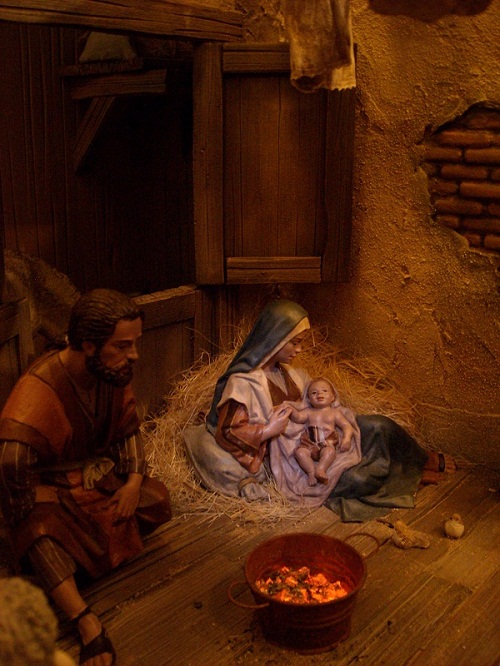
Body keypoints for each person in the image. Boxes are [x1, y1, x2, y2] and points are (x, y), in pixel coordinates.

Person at [0, 289, 172, 666]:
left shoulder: (110, 371)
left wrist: (132, 483)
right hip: (51, 493)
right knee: (37, 534)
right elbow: (11, 461)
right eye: (123, 346)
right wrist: (34, 498)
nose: (134, 355)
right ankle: (85, 620)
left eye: (134, 343)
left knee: (157, 500)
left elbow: (128, 429)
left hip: (95, 482)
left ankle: (68, 567)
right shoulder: (39, 390)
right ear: (88, 345)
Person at [184, 298, 442, 518]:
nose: (299, 349)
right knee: (360, 480)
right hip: (292, 460)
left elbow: (320, 402)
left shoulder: (292, 373)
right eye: (295, 342)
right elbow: (227, 431)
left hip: (323, 431)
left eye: (301, 342)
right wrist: (267, 430)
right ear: (275, 339)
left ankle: (420, 460)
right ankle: (402, 474)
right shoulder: (243, 383)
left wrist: (337, 417)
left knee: (379, 425)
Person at [289, 377, 357, 486]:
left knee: (330, 452)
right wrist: (291, 410)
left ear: (333, 397)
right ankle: (311, 472)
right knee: (300, 453)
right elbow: (298, 418)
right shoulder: (308, 412)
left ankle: (321, 469)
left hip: (326, 442)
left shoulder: (334, 413)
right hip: (309, 442)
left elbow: (346, 426)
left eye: (324, 391)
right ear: (309, 399)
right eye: (314, 392)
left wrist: (347, 439)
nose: (319, 393)